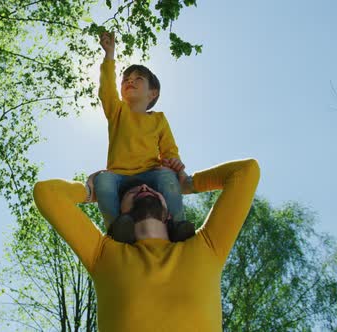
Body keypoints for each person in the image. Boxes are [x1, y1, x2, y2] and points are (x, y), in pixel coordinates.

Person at [34, 158, 260, 331]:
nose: (143, 188)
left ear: (170, 214)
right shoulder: (103, 254)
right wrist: (90, 191)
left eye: (153, 190)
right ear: (119, 211)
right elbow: (46, 193)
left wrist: (188, 182)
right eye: (131, 191)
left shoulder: (206, 245)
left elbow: (247, 170)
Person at [92, 31, 190, 241]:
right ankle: (117, 228)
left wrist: (175, 163)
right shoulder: (117, 111)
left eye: (138, 79)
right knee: (103, 181)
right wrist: (109, 55)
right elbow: (106, 91)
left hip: (150, 173)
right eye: (126, 79)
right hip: (119, 175)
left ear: (152, 93)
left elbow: (169, 149)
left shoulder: (158, 119)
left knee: (167, 176)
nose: (130, 81)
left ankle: (176, 224)